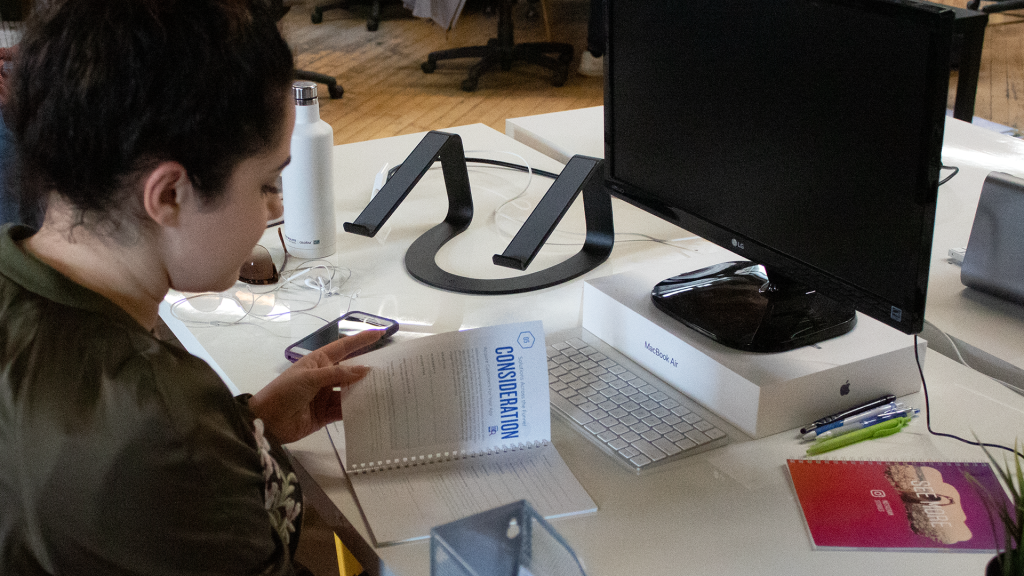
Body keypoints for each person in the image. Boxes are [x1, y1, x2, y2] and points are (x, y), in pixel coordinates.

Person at [0, 0, 380, 573]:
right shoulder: (162, 427)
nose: (274, 211)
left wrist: (246, 425)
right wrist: (201, 441)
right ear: (169, 195)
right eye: (267, 184)